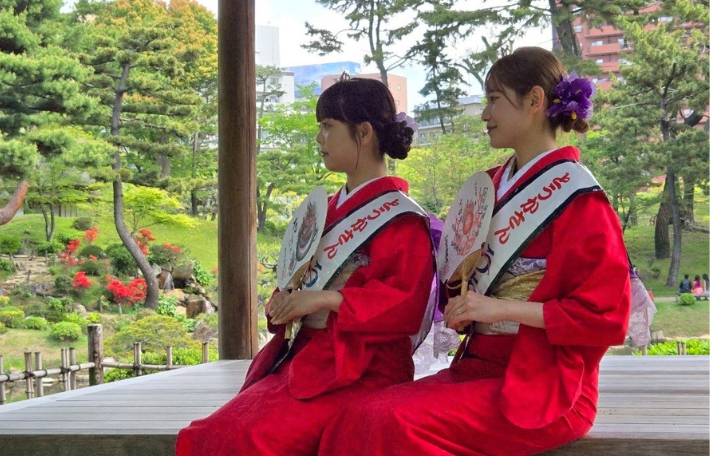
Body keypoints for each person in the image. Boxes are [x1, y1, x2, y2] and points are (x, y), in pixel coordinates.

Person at [318, 47, 631, 456]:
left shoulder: (579, 198)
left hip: (547, 384)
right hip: (477, 367)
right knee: (356, 416)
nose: (485, 114)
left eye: (494, 99)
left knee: (385, 421)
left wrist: (498, 308)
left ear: (535, 101)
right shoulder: (489, 187)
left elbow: (606, 318)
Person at [175, 77, 436, 456]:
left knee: (252, 438)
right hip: (306, 361)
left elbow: (405, 305)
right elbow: (294, 276)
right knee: (207, 433)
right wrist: (285, 302)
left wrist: (325, 300)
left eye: (328, 126)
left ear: (363, 133)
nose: (319, 138)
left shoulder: (401, 218)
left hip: (361, 368)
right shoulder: (324, 210)